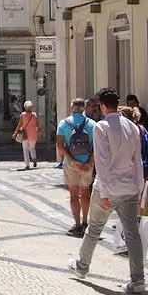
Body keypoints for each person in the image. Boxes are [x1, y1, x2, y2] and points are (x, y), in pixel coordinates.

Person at [69, 88, 145, 293]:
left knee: (94, 229)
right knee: (132, 235)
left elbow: (101, 164)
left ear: (102, 106)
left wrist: (105, 194)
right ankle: (138, 281)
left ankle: (82, 267)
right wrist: (139, 190)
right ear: (117, 103)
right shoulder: (132, 127)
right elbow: (137, 162)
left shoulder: (101, 127)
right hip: (130, 188)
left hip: (107, 189)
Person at [57, 98, 97, 236]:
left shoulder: (64, 123)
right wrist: (90, 162)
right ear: (84, 108)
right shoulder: (92, 124)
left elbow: (60, 146)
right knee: (85, 193)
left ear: (72, 107)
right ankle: (85, 222)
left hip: (70, 164)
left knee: (74, 195)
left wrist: (74, 161)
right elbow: (97, 146)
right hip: (87, 163)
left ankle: (77, 224)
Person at [13, 101, 41, 170]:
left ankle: (27, 165)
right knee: (32, 148)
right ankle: (34, 158)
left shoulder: (23, 115)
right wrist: (38, 133)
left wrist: (15, 133)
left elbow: (19, 125)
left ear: (25, 107)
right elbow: (38, 126)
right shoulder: (34, 115)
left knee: (25, 150)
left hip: (24, 134)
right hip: (33, 134)